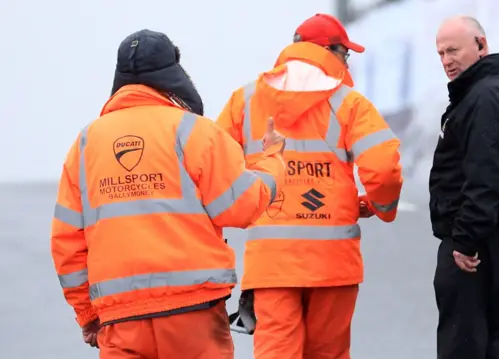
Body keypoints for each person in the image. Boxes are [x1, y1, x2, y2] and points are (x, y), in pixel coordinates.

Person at [50, 29, 286, 359]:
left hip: (121, 321)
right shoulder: (194, 131)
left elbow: (66, 243)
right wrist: (272, 160)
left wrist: (88, 315)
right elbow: (242, 206)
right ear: (172, 73)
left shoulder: (87, 144)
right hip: (194, 314)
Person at [216, 13, 404, 359]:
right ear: (327, 51)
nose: (346, 62)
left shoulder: (244, 101)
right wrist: (381, 207)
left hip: (271, 265)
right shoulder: (350, 104)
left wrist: (237, 214)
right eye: (344, 53)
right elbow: (383, 169)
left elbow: (214, 168)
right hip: (332, 265)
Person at [429, 16, 499, 359]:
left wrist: (466, 240)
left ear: (481, 45)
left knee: (463, 348)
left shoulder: (485, 97)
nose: (446, 60)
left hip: (481, 247)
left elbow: (485, 176)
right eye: (440, 53)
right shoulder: (496, 90)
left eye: (453, 50)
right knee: (491, 347)